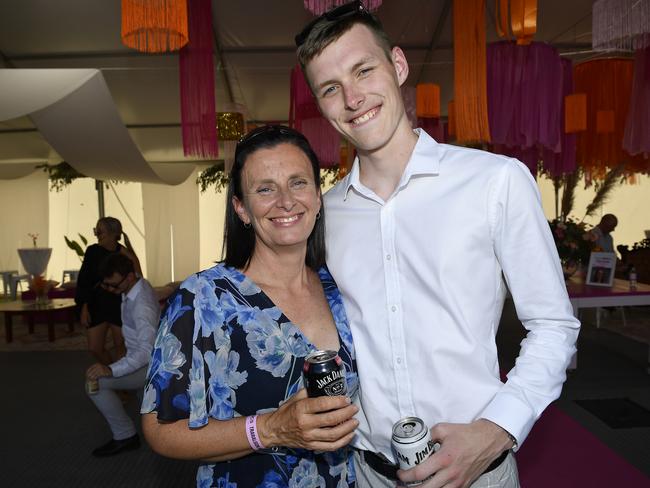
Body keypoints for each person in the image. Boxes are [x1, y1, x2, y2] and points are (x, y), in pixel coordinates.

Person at [295, 2, 580, 487]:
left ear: (399, 66)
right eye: (330, 88)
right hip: (367, 472)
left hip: (479, 472)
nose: (353, 97)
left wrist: (497, 429)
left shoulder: (494, 181)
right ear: (320, 105)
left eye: (363, 70)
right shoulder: (325, 213)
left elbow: (553, 325)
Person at [141, 125, 359, 487]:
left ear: (319, 198)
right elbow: (161, 429)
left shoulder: (337, 287)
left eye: (298, 182)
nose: (286, 201)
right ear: (241, 208)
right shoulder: (204, 298)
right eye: (265, 189)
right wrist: (272, 429)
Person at [86, 252, 159, 456]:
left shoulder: (141, 306)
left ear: (128, 277)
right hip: (142, 358)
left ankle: (125, 436)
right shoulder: (136, 284)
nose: (111, 290)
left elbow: (146, 352)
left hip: (149, 365)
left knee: (95, 384)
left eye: (114, 285)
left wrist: (110, 369)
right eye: (106, 285)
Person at [75, 216, 142, 365]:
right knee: (94, 348)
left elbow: (138, 282)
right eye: (96, 231)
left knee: (121, 347)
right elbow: (84, 280)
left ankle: (121, 382)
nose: (97, 235)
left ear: (113, 233)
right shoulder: (92, 251)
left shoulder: (127, 255)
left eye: (100, 232)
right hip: (96, 303)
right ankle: (111, 373)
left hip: (119, 304)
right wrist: (84, 307)